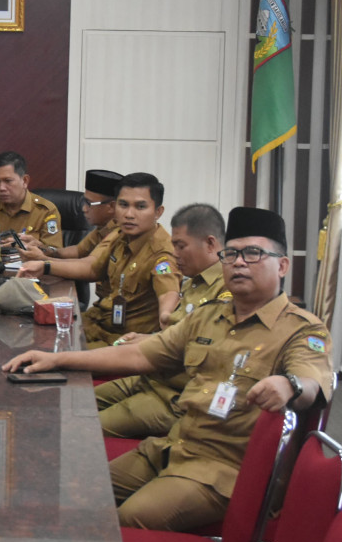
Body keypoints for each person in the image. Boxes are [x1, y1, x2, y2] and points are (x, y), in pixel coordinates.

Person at [5, 207, 332, 531]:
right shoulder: (209, 316)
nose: (239, 262)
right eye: (231, 254)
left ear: (283, 265)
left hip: (226, 470)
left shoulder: (303, 330)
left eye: (253, 253)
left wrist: (289, 385)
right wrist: (57, 359)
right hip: (174, 447)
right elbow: (140, 357)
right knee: (74, 491)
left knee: (127, 521)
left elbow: (312, 380)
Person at [95, 203, 228, 438]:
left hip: (172, 396)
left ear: (210, 243)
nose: (174, 253)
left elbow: (200, 350)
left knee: (82, 427)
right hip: (150, 378)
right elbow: (177, 333)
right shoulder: (193, 283)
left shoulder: (226, 292)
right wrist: (150, 337)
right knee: (77, 403)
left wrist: (152, 341)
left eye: (181, 246)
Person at [17, 172, 180, 349]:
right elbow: (93, 268)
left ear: (158, 212)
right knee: (28, 331)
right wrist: (45, 264)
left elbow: (168, 300)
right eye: (123, 205)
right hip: (96, 324)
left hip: (119, 342)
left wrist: (163, 329)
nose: (129, 214)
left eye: (140, 207)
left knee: (49, 353)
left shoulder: (163, 255)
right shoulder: (120, 235)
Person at [17, 168, 122, 261]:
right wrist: (43, 249)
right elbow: (77, 251)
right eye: (84, 202)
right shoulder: (102, 228)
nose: (84, 209)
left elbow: (88, 268)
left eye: (89, 203)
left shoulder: (118, 233)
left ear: (111, 207)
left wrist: (44, 260)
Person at [0, 151, 63, 249]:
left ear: (25, 181)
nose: (1, 188)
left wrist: (33, 246)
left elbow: (55, 253)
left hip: (29, 263)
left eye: (8, 181)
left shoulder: (45, 210)